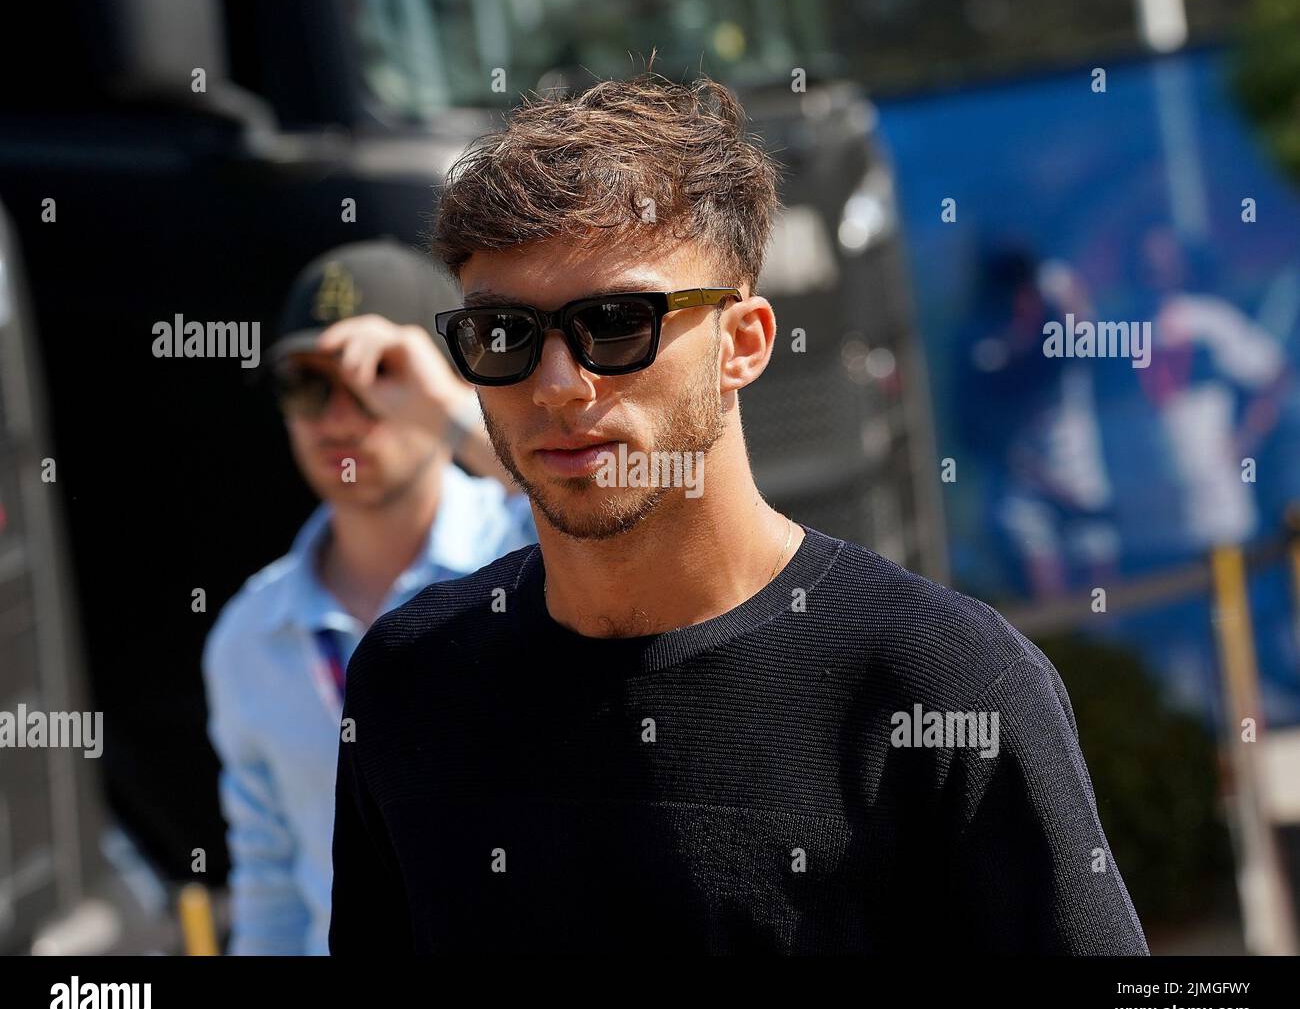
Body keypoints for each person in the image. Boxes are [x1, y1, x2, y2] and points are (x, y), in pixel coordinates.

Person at [329, 73, 1148, 955]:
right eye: (505, 335)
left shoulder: (942, 684)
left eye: (616, 323)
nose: (560, 382)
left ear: (745, 342)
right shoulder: (408, 684)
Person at [203, 241, 536, 955]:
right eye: (306, 382)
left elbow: (634, 519)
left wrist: (452, 410)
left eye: (377, 378)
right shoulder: (248, 637)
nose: (339, 416)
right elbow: (271, 897)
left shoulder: (536, 552)